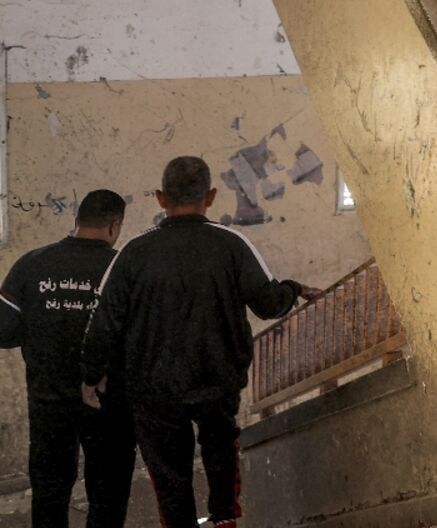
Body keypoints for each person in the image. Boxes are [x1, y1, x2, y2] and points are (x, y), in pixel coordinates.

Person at [81, 156, 320, 528]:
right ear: (210, 196)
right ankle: (224, 518)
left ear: (161, 198)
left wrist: (90, 376)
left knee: (170, 475)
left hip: (154, 389)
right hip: (217, 380)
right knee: (222, 453)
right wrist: (295, 289)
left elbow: (104, 324)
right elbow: (269, 304)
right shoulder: (231, 245)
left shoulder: (133, 253)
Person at [0, 190, 136, 528]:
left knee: (49, 492)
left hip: (48, 399)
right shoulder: (123, 269)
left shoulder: (33, 264)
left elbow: (2, 330)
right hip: (109, 402)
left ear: (76, 221)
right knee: (108, 494)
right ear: (114, 225)